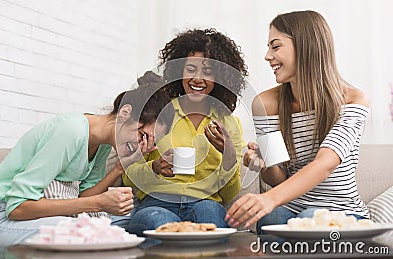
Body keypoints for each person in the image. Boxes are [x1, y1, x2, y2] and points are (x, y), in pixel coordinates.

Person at [225, 10, 370, 234]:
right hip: (290, 207)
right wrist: (263, 165)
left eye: (275, 46)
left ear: (305, 46)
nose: (267, 56)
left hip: (342, 211)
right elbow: (278, 179)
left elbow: (325, 164)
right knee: (271, 219)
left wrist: (268, 199)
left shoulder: (352, 101)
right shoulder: (266, 104)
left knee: (308, 219)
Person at [0, 71, 174, 247]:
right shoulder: (72, 131)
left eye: (150, 141)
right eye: (142, 134)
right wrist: (98, 204)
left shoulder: (103, 141)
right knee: (91, 233)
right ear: (125, 112)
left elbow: (82, 197)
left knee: (123, 224)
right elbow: (18, 207)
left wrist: (121, 167)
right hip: (3, 214)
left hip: (36, 217)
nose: (142, 145)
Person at [123, 28, 248, 236]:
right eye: (190, 69)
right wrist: (154, 167)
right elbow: (128, 178)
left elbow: (228, 194)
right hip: (157, 202)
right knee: (156, 221)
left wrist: (229, 155)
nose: (197, 78)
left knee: (211, 219)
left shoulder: (229, 123)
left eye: (207, 72)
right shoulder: (159, 112)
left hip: (205, 202)